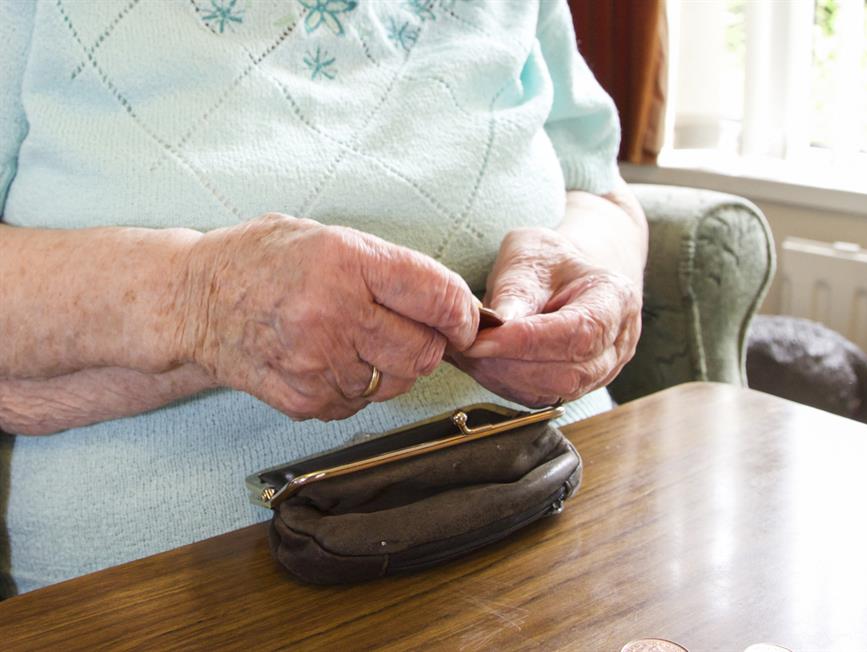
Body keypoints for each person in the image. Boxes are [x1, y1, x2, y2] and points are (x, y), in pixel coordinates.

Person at [0, 0, 647, 595]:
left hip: (569, 500)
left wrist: (596, 270)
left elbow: (600, 188)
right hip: (185, 584)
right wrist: (201, 301)